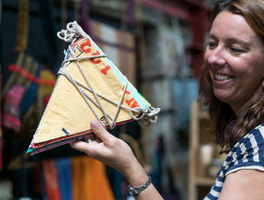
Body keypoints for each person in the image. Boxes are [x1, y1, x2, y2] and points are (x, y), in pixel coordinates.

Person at [70, 0, 264, 199]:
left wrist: (130, 167)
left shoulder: (259, 146)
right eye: (212, 44)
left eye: (235, 49)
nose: (213, 57)